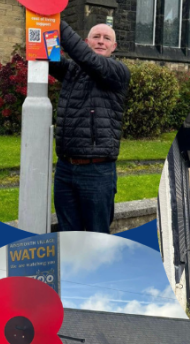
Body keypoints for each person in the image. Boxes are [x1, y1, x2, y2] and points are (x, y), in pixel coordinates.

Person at [50, 21, 130, 234]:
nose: (101, 41)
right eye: (96, 37)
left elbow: (89, 60)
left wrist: (56, 19)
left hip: (97, 172)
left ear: (114, 46)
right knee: (69, 236)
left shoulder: (118, 71)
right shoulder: (72, 71)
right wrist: (43, 23)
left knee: (97, 238)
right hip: (65, 169)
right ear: (87, 41)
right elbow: (50, 57)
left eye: (106, 38)